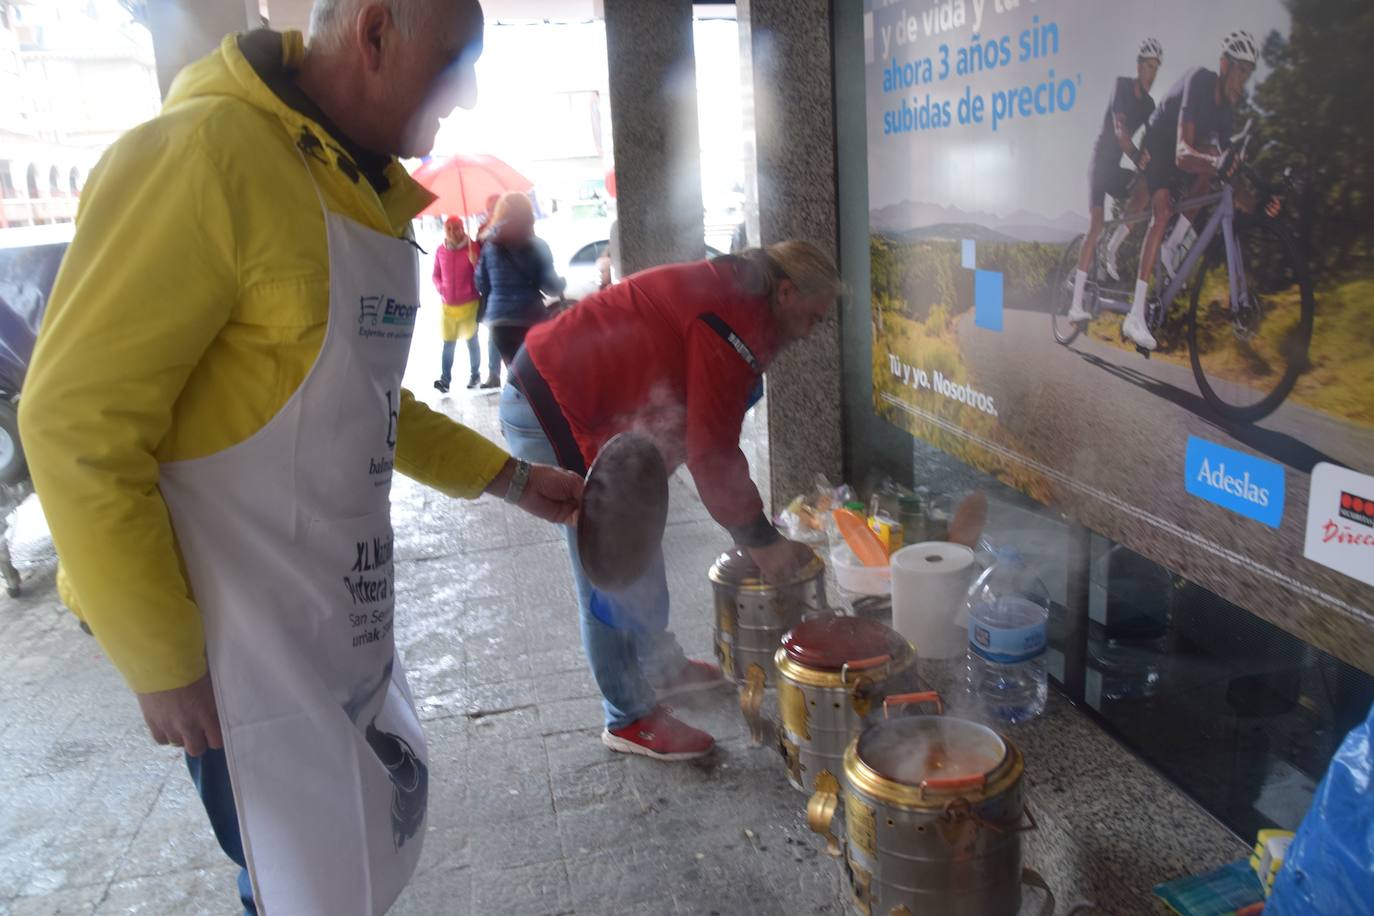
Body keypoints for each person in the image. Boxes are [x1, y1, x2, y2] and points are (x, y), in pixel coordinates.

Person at [17, 3, 583, 914]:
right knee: (292, 876)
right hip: (230, 634)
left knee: (345, 846)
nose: (467, 93)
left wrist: (511, 478)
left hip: (323, 604)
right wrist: (163, 660)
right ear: (373, 32)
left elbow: (362, 402)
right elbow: (73, 421)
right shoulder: (200, 157)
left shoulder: (364, 189)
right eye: (454, 62)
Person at [499, 240, 840, 760]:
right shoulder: (736, 311)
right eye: (813, 317)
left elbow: (708, 418)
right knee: (611, 567)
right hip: (552, 402)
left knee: (638, 536)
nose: (812, 332)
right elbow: (713, 451)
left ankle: (661, 668)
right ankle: (629, 717)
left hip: (593, 401)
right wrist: (760, 539)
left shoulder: (747, 298)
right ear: (788, 292)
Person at [1123, 29, 1257, 350]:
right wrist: (1218, 162)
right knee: (1163, 210)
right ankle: (1134, 315)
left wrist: (1260, 201)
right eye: (1241, 70)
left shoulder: (1227, 112)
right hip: (1160, 143)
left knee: (1213, 170)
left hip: (1186, 151)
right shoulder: (1199, 82)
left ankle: (1173, 246)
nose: (1245, 80)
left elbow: (1226, 172)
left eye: (1249, 73)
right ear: (1224, 66)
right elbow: (1182, 154)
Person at [1066, 38, 1162, 322]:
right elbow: (1121, 131)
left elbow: (1154, 139)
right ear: (1138, 67)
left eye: (1157, 68)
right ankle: (1074, 306)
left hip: (1117, 168)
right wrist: (1138, 156)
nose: (1153, 73)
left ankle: (1112, 246)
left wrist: (1157, 163)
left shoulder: (1150, 104)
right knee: (1095, 226)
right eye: (1148, 66)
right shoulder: (1121, 86)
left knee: (1146, 188)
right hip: (1100, 166)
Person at [474, 191, 565, 370]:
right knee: (535, 375)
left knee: (515, 376)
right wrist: (562, 283)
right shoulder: (537, 245)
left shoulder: (490, 245)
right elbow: (551, 287)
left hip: (499, 323)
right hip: (529, 318)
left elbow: (480, 283)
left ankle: (515, 396)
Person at [431, 215, 497, 390]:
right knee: (448, 343)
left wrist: (475, 263)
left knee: (471, 341)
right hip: (448, 306)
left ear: (463, 228)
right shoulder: (440, 250)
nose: (453, 231)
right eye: (449, 228)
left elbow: (482, 276)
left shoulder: (472, 247)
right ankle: (445, 380)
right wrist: (441, 288)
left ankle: (475, 375)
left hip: (469, 303)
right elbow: (435, 275)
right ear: (445, 230)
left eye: (457, 227)